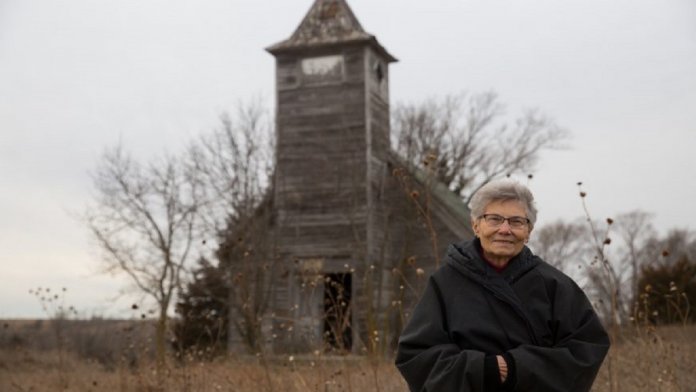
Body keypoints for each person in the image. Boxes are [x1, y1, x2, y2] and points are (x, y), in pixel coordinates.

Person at [395, 180, 609, 392]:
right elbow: (416, 355)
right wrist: (484, 369)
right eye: (494, 219)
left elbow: (587, 349)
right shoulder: (445, 283)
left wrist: (517, 367)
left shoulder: (554, 284)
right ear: (476, 225)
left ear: (529, 231)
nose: (505, 229)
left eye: (516, 221)